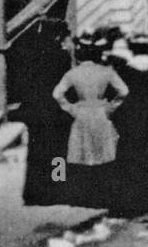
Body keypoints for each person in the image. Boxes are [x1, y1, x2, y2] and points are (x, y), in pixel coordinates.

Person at [52, 33, 129, 208]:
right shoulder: (106, 72)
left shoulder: (73, 73)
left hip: (82, 114)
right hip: (102, 114)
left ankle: (85, 196)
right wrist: (111, 107)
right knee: (104, 156)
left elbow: (57, 94)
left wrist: (71, 108)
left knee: (84, 155)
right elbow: (124, 91)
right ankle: (104, 196)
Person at [18, 17, 75, 207]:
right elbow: (65, 88)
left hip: (36, 113)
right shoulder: (61, 57)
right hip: (55, 112)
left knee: (36, 153)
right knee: (58, 153)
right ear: (59, 38)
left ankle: (34, 192)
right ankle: (56, 190)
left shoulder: (33, 56)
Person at [109, 33, 148, 217]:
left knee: (129, 161)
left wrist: (117, 118)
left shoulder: (125, 71)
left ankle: (130, 203)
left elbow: (116, 98)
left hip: (131, 122)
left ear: (132, 49)